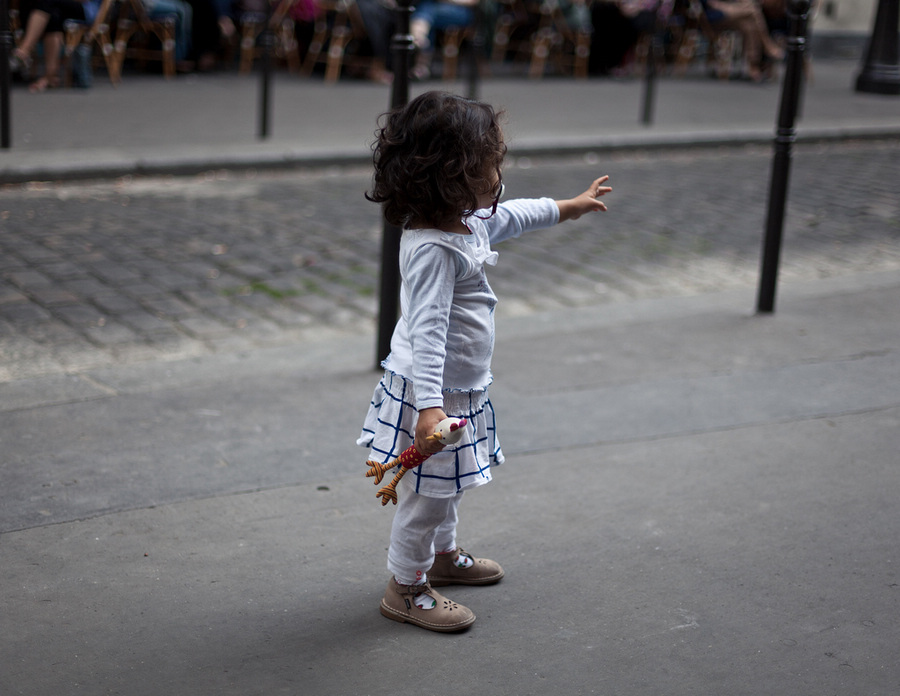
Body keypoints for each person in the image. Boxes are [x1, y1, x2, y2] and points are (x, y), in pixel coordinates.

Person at [358, 91, 612, 632]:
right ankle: (405, 586)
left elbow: (516, 216)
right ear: (451, 175)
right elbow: (426, 336)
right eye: (489, 165)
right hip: (433, 395)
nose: (499, 175)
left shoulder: (467, 221)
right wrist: (428, 410)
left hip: (457, 389)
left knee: (445, 487)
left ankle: (442, 558)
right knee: (427, 497)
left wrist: (570, 206)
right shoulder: (434, 247)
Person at [10, 0, 100, 91]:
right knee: (53, 16)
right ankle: (50, 76)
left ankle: (24, 50)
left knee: (46, 3)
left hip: (87, 9)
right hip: (58, 6)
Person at [701, 0, 784, 81]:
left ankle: (753, 66)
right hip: (711, 12)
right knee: (753, 10)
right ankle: (766, 45)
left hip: (727, 10)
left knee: (749, 26)